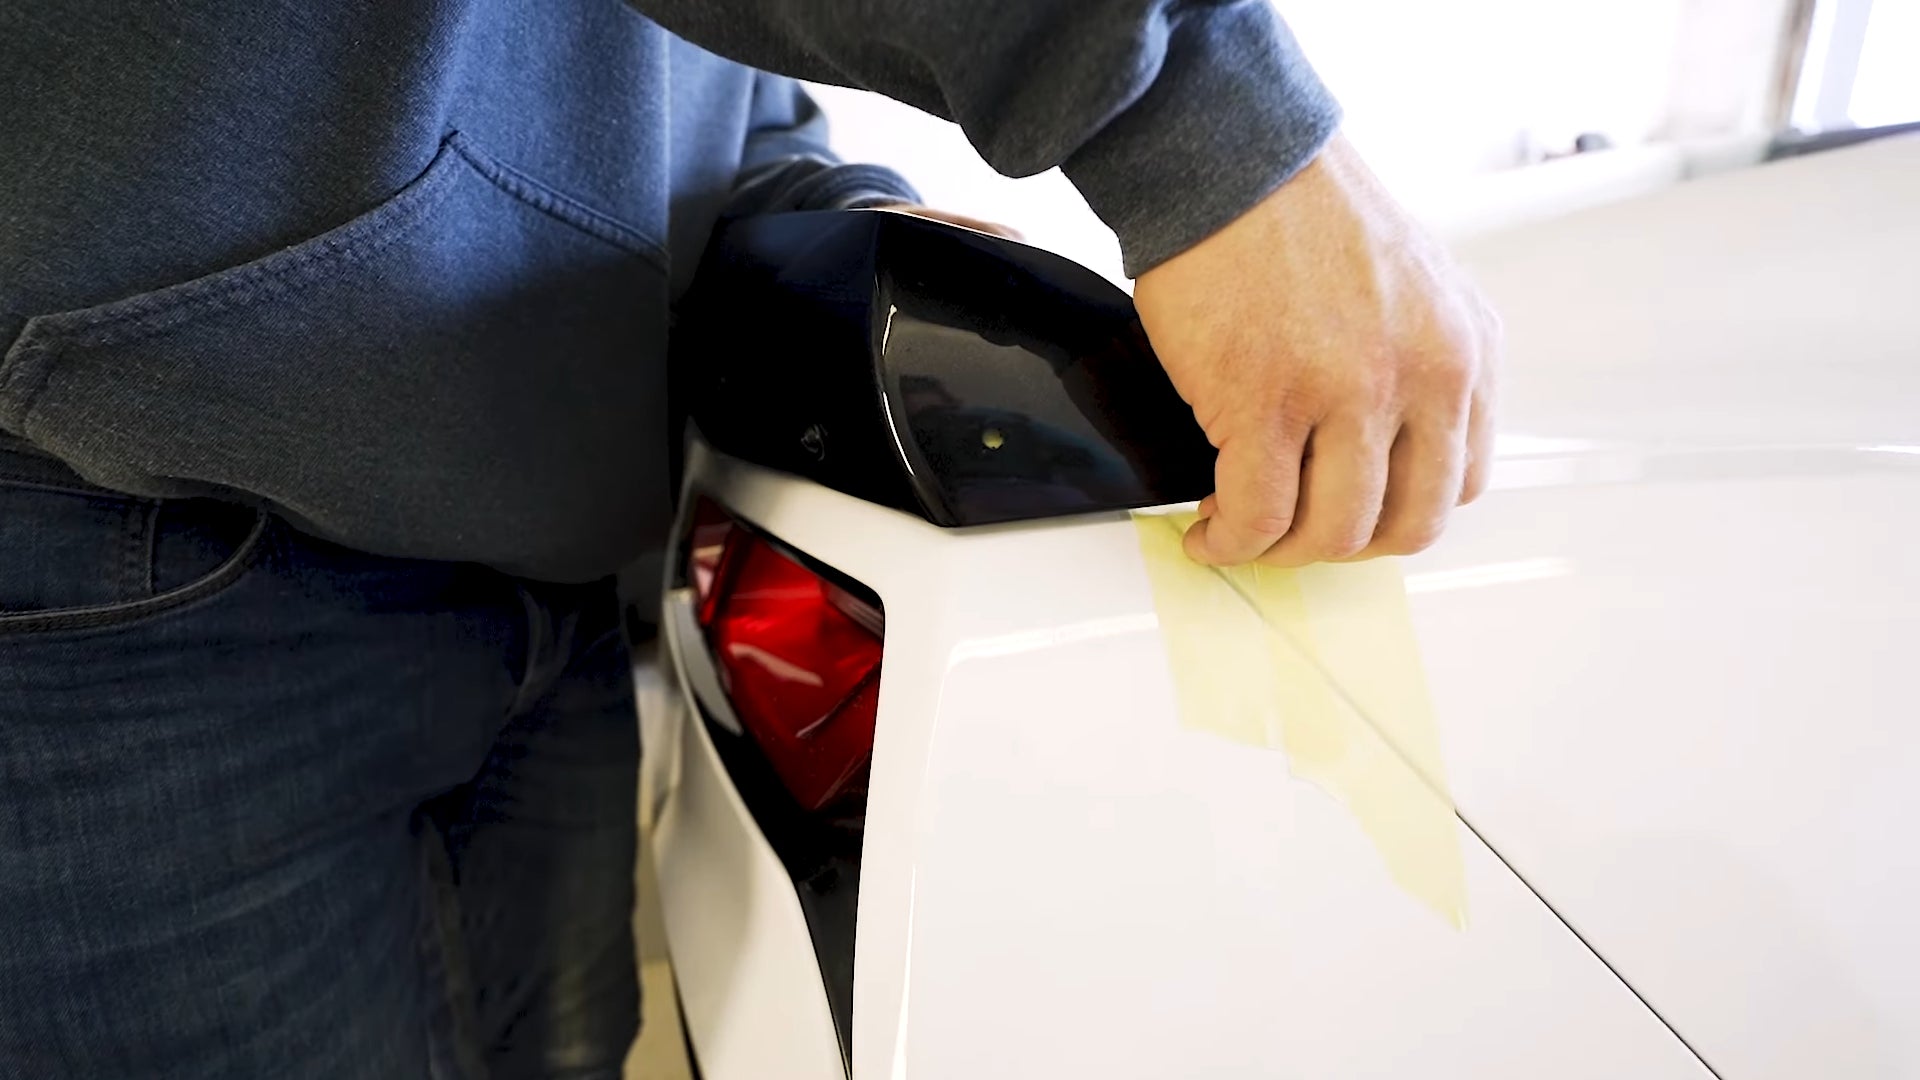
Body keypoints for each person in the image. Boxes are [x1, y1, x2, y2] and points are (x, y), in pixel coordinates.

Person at [0, 2, 1500, 1077]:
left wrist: (827, 213)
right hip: (131, 560)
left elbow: (640, 73)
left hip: (542, 549)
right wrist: (1204, 117)